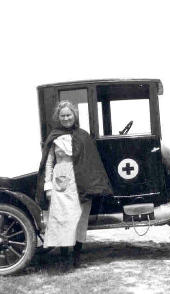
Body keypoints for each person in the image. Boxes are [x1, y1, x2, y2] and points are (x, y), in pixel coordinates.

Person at [35, 100, 112, 269]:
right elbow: (48, 163)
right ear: (58, 117)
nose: (66, 118)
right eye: (62, 115)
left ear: (74, 115)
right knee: (62, 220)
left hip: (81, 183)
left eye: (68, 115)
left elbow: (91, 162)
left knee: (79, 220)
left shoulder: (83, 136)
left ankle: (77, 258)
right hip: (61, 183)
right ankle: (64, 259)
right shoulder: (54, 137)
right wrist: (48, 186)